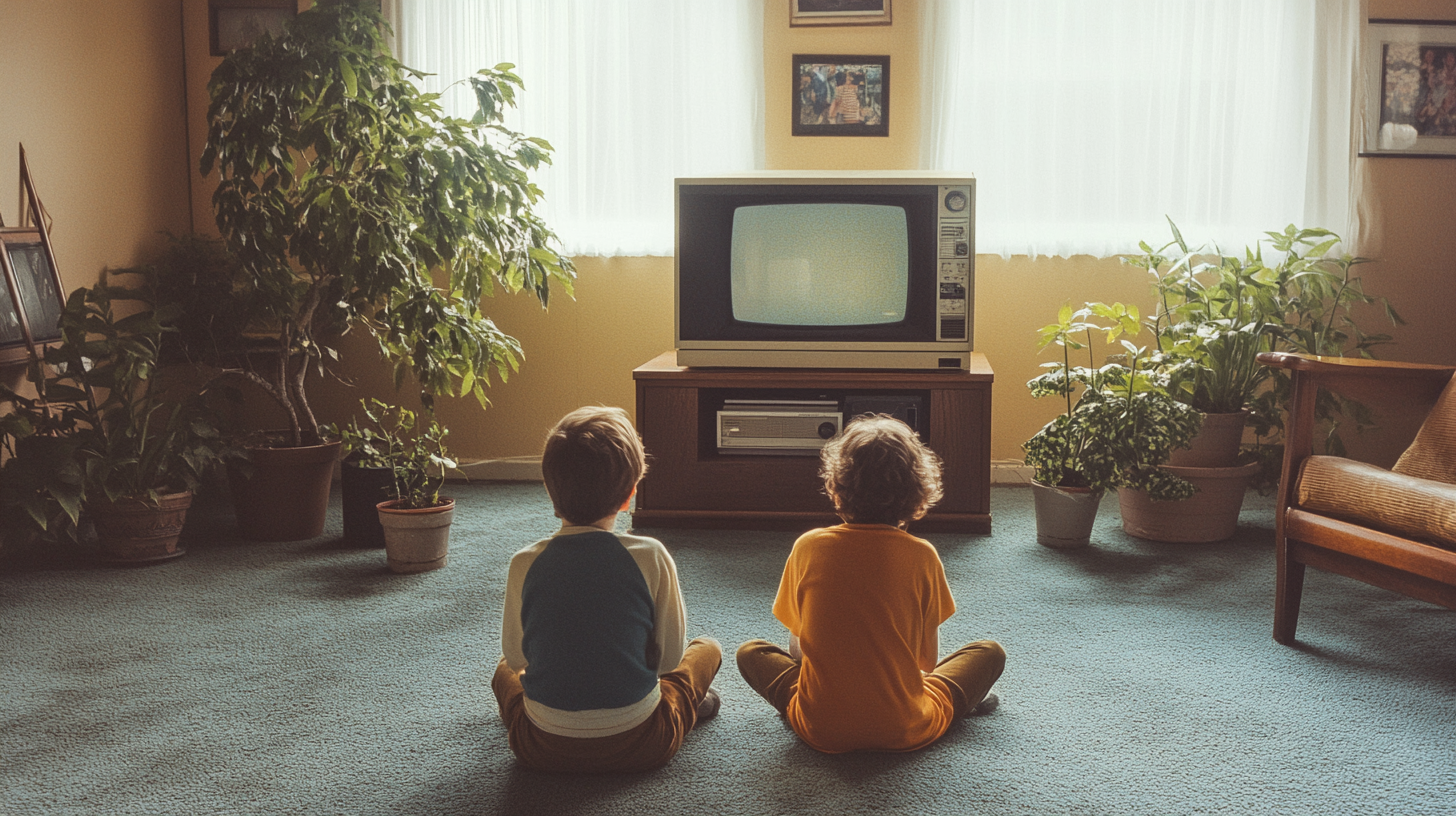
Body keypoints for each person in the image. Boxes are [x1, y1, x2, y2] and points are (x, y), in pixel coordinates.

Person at [736, 414, 1006, 754]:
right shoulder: (923, 555)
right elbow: (927, 663)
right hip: (904, 727)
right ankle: (957, 706)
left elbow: (798, 651)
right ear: (918, 493)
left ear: (836, 487)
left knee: (750, 652)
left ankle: (806, 710)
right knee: (989, 653)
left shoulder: (808, 546)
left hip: (821, 729)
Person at [492, 405, 722, 773]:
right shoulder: (652, 555)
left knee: (504, 670)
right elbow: (669, 659)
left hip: (539, 748)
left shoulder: (524, 562)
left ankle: (554, 719)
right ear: (629, 494)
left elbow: (517, 656)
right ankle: (687, 706)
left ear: (550, 492)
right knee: (707, 649)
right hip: (645, 742)